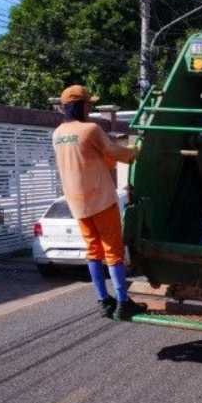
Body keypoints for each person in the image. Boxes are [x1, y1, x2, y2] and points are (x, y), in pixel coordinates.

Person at [52, 84, 146, 321]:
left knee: (93, 251)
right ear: (80, 106)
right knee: (113, 252)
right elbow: (114, 152)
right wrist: (136, 150)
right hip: (101, 200)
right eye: (88, 104)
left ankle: (104, 300)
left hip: (77, 204)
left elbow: (88, 159)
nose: (90, 108)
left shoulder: (58, 134)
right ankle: (123, 302)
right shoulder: (91, 129)